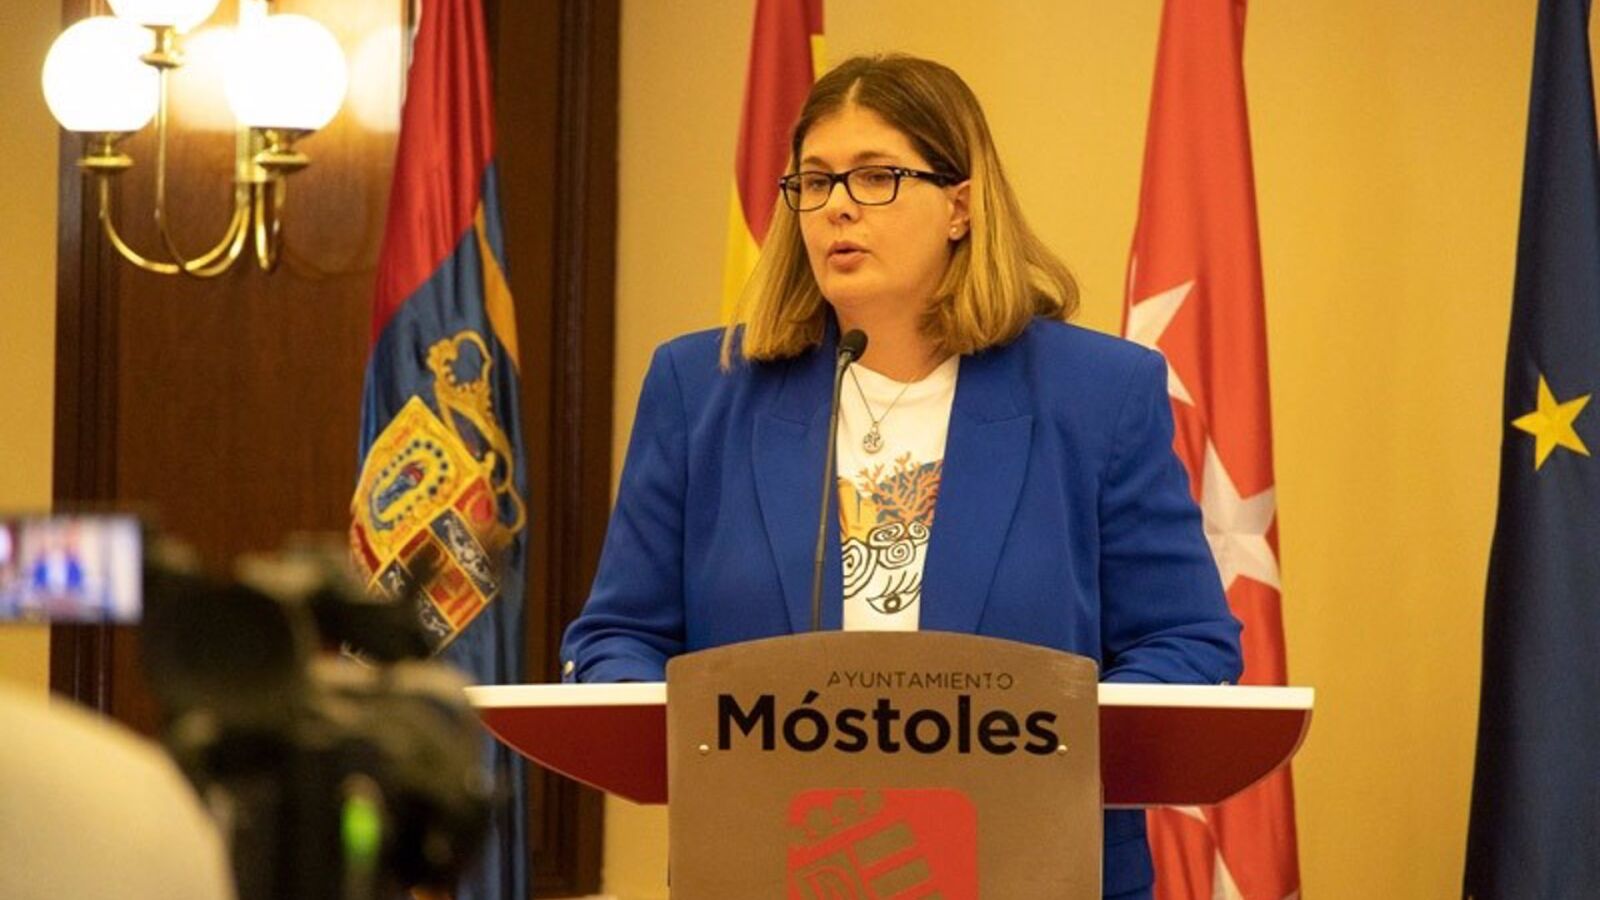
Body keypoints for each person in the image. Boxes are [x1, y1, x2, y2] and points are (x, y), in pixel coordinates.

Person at [561, 54, 1242, 899]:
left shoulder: (1098, 394)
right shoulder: (701, 390)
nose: (837, 206)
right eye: (815, 181)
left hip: (1033, 867)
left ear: (960, 205)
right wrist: (687, 730)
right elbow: (618, 636)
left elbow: (1187, 641)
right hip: (769, 865)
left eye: (877, 176)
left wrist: (1048, 744)